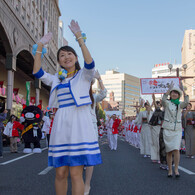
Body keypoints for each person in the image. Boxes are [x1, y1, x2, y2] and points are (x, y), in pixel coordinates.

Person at [33, 20, 102, 195]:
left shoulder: (84, 75)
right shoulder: (56, 78)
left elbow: (90, 63)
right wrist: (40, 45)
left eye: (69, 54)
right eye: (62, 55)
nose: (66, 57)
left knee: (75, 172)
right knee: (60, 171)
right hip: (61, 123)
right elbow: (37, 72)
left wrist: (79, 38)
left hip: (80, 123)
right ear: (59, 62)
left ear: (75, 58)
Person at [84, 70, 107, 195]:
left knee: (90, 155)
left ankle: (87, 184)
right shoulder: (76, 95)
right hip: (77, 126)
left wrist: (99, 79)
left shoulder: (93, 97)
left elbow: (103, 94)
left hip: (91, 127)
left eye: (89, 83)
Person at [162, 82, 189, 177]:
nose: (174, 94)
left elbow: (186, 102)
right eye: (172, 92)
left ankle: (176, 170)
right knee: (169, 151)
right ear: (170, 94)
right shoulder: (167, 103)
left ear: (178, 95)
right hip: (167, 129)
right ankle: (170, 170)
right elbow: (163, 100)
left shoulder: (180, 104)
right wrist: (168, 90)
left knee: (176, 149)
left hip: (177, 129)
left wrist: (184, 91)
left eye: (176, 93)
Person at [149, 94, 163, 163]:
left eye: (159, 104)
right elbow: (154, 105)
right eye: (157, 104)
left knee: (159, 143)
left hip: (160, 128)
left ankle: (160, 157)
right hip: (154, 128)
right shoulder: (155, 111)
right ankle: (155, 157)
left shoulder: (162, 112)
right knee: (154, 143)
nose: (158, 106)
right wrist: (153, 99)